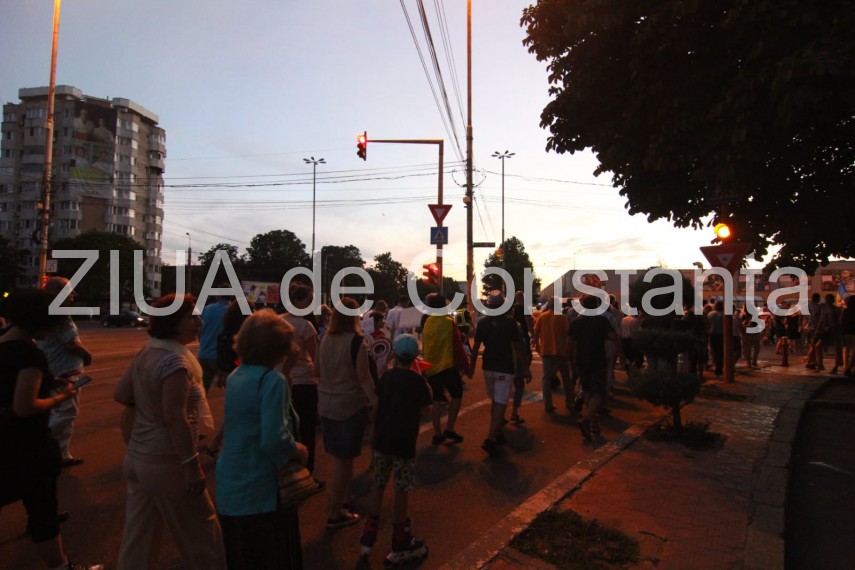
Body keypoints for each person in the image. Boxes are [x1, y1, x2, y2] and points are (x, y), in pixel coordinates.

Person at [113, 294, 225, 570]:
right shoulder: (177, 363)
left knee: (139, 537)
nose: (199, 323)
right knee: (202, 533)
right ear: (173, 322)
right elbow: (175, 418)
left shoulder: (148, 352)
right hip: (167, 461)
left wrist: (148, 403)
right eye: (192, 317)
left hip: (137, 458)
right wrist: (190, 466)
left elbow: (122, 393)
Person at [0, 289, 103, 570]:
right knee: (43, 510)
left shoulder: (4, 341)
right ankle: (61, 567)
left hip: (5, 438)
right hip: (28, 444)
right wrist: (61, 396)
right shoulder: (30, 354)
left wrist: (49, 380)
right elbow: (25, 406)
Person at [215, 309, 308, 569]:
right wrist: (297, 449)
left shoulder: (237, 376)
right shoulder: (271, 381)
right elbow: (273, 438)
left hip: (230, 488)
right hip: (262, 491)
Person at [358, 334, 432, 565]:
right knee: (401, 489)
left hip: (382, 440)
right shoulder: (419, 382)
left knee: (379, 484)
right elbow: (427, 413)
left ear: (395, 355)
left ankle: (369, 531)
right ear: (415, 357)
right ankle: (400, 536)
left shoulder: (387, 377)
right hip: (404, 443)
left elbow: (377, 407)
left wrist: (372, 430)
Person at [317, 297, 378, 529]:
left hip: (325, 404)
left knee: (340, 458)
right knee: (344, 461)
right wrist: (376, 403)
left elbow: (318, 370)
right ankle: (334, 513)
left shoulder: (325, 339)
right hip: (349, 406)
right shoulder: (357, 342)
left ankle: (345, 498)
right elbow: (364, 378)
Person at [36, 277, 93, 468]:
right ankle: (44, 449)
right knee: (66, 413)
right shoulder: (61, 317)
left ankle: (61, 454)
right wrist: (87, 355)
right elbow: (71, 344)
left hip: (53, 370)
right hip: (65, 373)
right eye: (70, 291)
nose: (73, 296)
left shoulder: (45, 314)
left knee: (58, 412)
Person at [470, 291, 532, 457]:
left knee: (495, 400)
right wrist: (526, 369)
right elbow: (519, 349)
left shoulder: (482, 323)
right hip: (504, 367)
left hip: (488, 366)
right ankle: (490, 438)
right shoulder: (510, 323)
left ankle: (496, 432)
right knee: (501, 402)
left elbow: (475, 347)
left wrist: (471, 367)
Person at [278, 283, 325, 489]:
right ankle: (308, 474)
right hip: (305, 382)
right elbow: (317, 358)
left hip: (282, 380)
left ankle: (288, 472)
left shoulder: (278, 322)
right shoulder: (306, 326)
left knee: (286, 427)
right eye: (308, 300)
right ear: (298, 301)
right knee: (306, 430)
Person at [567, 295, 620, 440]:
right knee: (599, 392)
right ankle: (587, 418)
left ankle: (593, 423)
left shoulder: (577, 322)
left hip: (581, 360)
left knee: (587, 390)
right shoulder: (602, 321)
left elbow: (570, 343)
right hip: (597, 359)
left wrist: (571, 361)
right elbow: (614, 337)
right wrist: (620, 353)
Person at [421, 293, 469, 445]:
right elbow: (456, 347)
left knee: (437, 399)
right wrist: (466, 366)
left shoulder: (427, 322)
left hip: (431, 367)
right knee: (457, 395)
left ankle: (437, 433)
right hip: (446, 365)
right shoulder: (448, 322)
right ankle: (449, 428)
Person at [531, 298, 572, 412]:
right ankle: (569, 402)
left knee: (546, 378)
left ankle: (548, 404)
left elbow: (536, 332)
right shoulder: (562, 317)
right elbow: (567, 334)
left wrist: (537, 344)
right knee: (566, 377)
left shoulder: (542, 316)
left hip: (546, 350)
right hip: (560, 351)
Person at [198, 287, 230, 392]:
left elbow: (199, 330)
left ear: (218, 295)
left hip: (203, 355)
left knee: (201, 392)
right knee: (231, 389)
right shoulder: (231, 311)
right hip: (222, 359)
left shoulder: (207, 309)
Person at [510, 291, 534, 424]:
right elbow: (528, 321)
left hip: (508, 346)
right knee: (525, 355)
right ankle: (514, 412)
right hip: (521, 337)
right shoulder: (524, 308)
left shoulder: (513, 309)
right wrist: (533, 334)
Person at [813, 293, 842, 373]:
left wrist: (830, 326)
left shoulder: (837, 309)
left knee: (837, 349)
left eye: (828, 299)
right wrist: (817, 330)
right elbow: (821, 320)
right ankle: (820, 364)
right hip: (825, 331)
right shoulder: (823, 308)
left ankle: (835, 367)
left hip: (835, 331)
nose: (827, 301)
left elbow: (840, 322)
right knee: (818, 346)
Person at [707, 301, 725, 377]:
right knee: (720, 353)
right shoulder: (723, 315)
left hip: (712, 334)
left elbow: (707, 324)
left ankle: (715, 365)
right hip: (721, 335)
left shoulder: (710, 314)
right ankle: (718, 370)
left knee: (713, 351)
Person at [841, 296, 855, 377]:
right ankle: (848, 367)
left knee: (846, 349)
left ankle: (846, 366)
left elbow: (841, 321)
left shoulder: (845, 311)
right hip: (852, 332)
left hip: (846, 332)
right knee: (852, 352)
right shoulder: (846, 311)